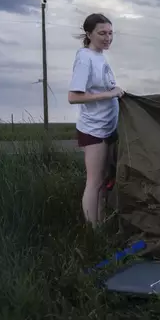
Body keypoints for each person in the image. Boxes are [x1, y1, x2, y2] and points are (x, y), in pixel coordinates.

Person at [67, 13, 125, 227]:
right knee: (94, 182)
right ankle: (93, 234)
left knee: (104, 181)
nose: (107, 37)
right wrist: (110, 94)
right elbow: (73, 97)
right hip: (93, 129)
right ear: (89, 34)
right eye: (102, 33)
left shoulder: (100, 56)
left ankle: (100, 223)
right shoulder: (84, 58)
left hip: (108, 127)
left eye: (110, 33)